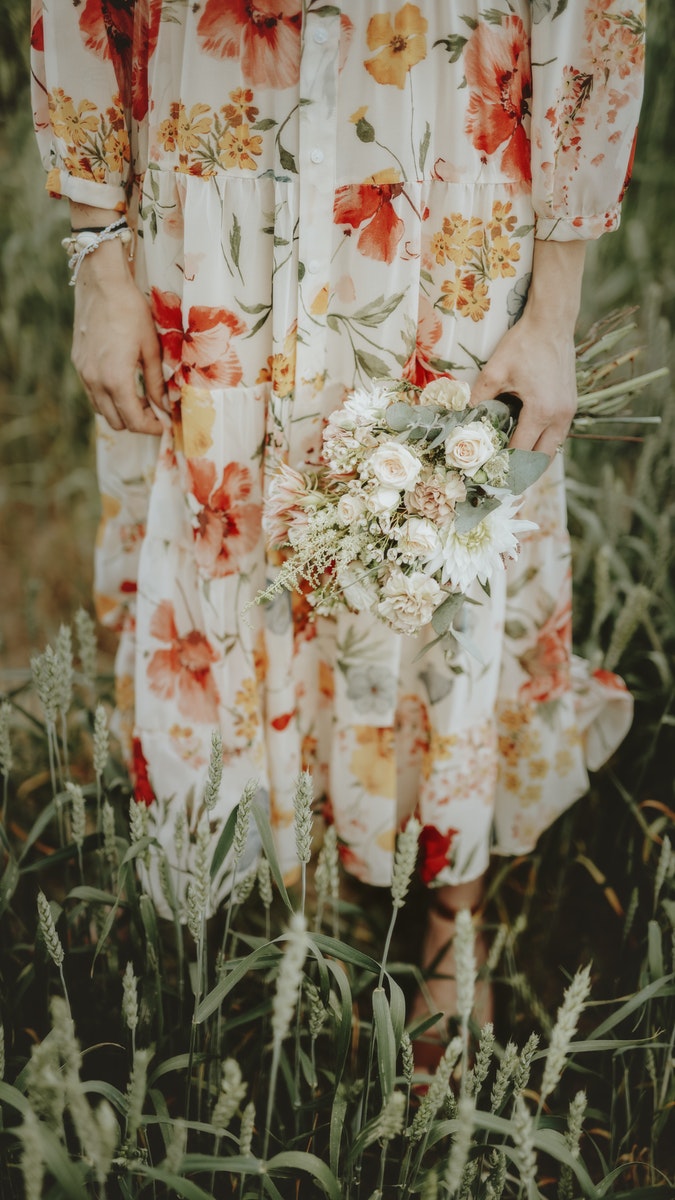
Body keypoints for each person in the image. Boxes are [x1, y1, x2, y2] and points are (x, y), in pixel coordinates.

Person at [31, 1, 643, 1032]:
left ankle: (450, 904)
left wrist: (553, 312)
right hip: (213, 163)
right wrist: (98, 255)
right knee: (232, 521)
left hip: (443, 159)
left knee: (437, 528)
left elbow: (593, 15)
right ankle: (278, 898)